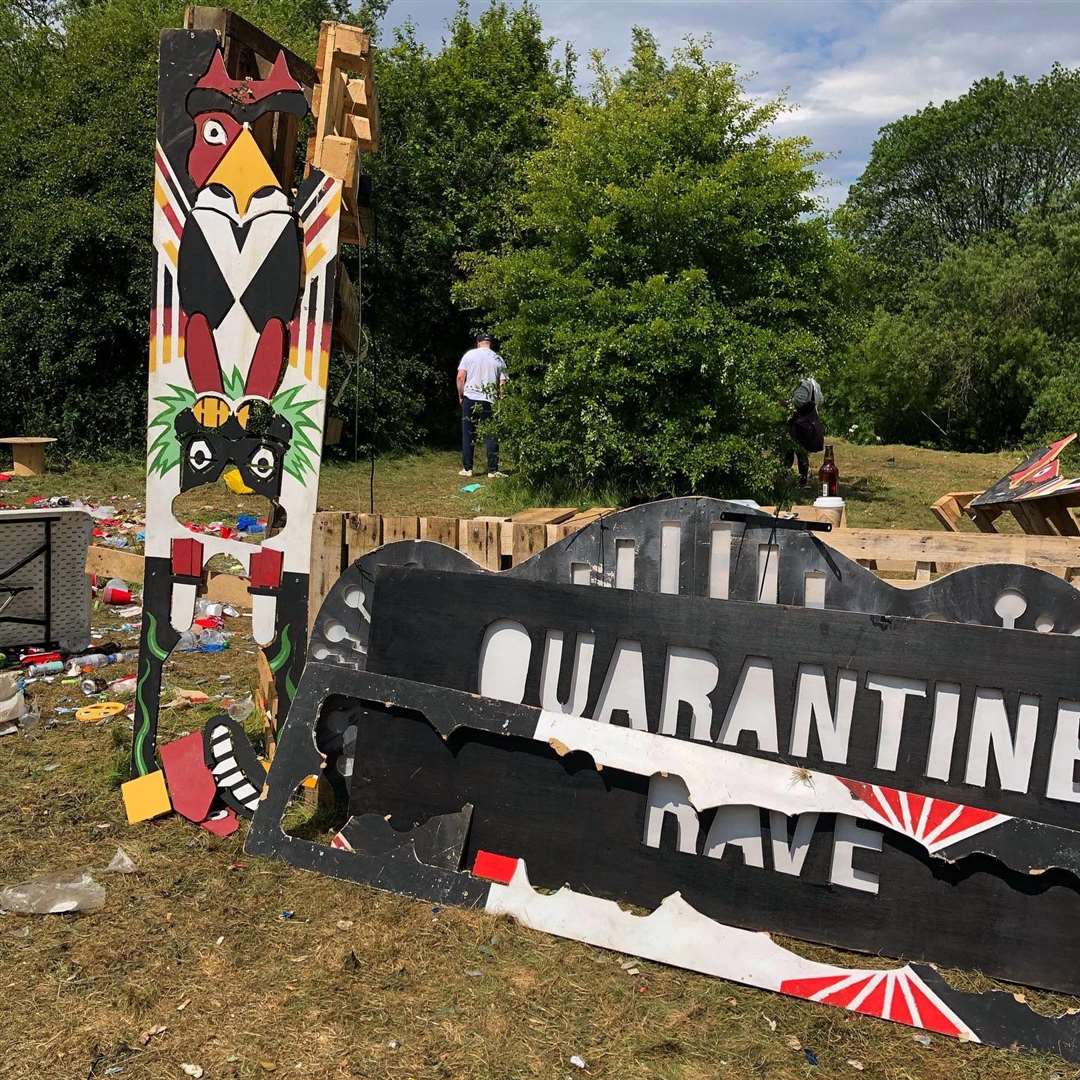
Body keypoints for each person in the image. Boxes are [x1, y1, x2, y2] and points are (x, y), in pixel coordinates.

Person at [457, 332, 508, 478]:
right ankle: (492, 470)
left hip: (470, 397)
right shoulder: (497, 358)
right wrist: (502, 400)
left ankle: (467, 469)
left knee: (468, 433)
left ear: (478, 342)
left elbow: (460, 377)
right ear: (490, 343)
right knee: (491, 433)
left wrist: (461, 396)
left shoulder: (469, 355)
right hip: (489, 399)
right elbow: (503, 383)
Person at [787, 376, 825, 487]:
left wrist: (785, 403)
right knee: (802, 452)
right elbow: (821, 400)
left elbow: (799, 401)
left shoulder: (803, 383)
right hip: (808, 423)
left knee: (789, 450)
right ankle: (802, 480)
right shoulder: (815, 383)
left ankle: (787, 478)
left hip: (798, 422)